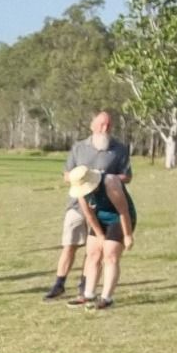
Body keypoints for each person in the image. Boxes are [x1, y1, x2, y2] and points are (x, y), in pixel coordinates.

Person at [45, 110, 133, 301]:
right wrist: (83, 177)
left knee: (95, 249)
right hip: (79, 202)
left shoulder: (119, 149)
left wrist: (101, 179)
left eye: (109, 125)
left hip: (106, 205)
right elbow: (67, 175)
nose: (105, 128)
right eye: (101, 124)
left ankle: (87, 286)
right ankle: (59, 283)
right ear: (92, 126)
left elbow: (127, 177)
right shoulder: (79, 148)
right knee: (70, 243)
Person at [63, 163, 136, 311]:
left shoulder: (110, 183)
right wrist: (100, 235)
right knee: (93, 254)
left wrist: (127, 235)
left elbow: (123, 211)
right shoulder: (81, 193)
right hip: (99, 219)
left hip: (119, 219)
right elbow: (89, 215)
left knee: (110, 255)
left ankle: (106, 298)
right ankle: (88, 294)